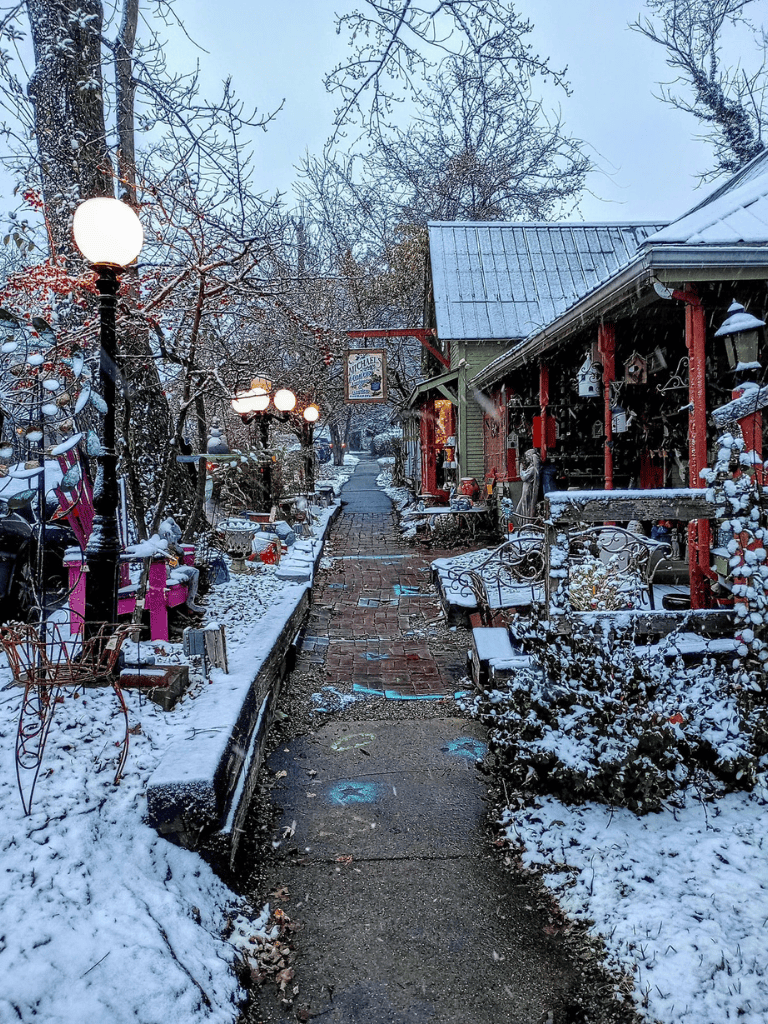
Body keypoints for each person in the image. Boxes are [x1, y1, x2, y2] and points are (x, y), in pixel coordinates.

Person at [158, 517, 205, 614]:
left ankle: (193, 595)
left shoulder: (165, 538)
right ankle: (190, 601)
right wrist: (175, 546)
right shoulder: (166, 542)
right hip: (170, 570)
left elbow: (179, 535)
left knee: (191, 571)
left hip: (174, 566)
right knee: (195, 572)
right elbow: (181, 552)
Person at [516, 448, 542, 521]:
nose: (526, 458)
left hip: (528, 489)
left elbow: (524, 477)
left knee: (527, 506)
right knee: (523, 505)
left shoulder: (533, 468)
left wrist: (520, 468)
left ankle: (527, 521)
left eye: (527, 456)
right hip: (526, 488)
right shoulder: (531, 467)